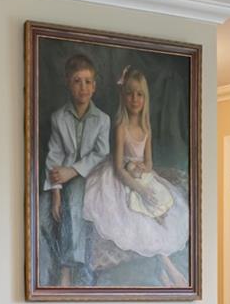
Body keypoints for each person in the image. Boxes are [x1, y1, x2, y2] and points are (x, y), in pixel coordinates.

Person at [80, 67, 190, 286]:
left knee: (164, 208)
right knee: (141, 212)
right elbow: (119, 166)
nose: (134, 99)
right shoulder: (121, 126)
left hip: (141, 174)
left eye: (139, 94)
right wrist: (138, 186)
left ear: (145, 98)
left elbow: (149, 162)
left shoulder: (145, 126)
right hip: (122, 175)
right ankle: (169, 268)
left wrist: (143, 169)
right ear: (124, 96)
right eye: (130, 93)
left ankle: (164, 271)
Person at [41, 52, 111, 286]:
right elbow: (54, 156)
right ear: (68, 84)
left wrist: (72, 171)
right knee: (59, 205)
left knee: (77, 196)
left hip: (95, 174)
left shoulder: (102, 119)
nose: (83, 87)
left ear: (94, 87)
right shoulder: (59, 117)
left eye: (88, 82)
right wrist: (56, 192)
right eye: (77, 81)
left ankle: (68, 268)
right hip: (65, 177)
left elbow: (101, 154)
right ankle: (65, 267)